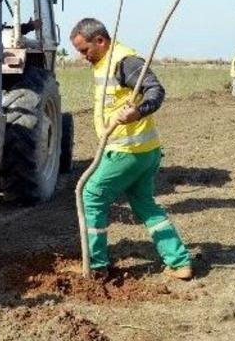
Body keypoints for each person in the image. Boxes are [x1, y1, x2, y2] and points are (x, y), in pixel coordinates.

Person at [70, 18, 193, 281]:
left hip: (128, 150)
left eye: (84, 50)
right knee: (145, 204)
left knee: (91, 195)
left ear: (100, 41)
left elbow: (155, 90)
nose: (82, 57)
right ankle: (180, 262)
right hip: (145, 151)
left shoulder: (125, 62)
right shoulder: (105, 62)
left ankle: (96, 265)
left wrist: (137, 112)